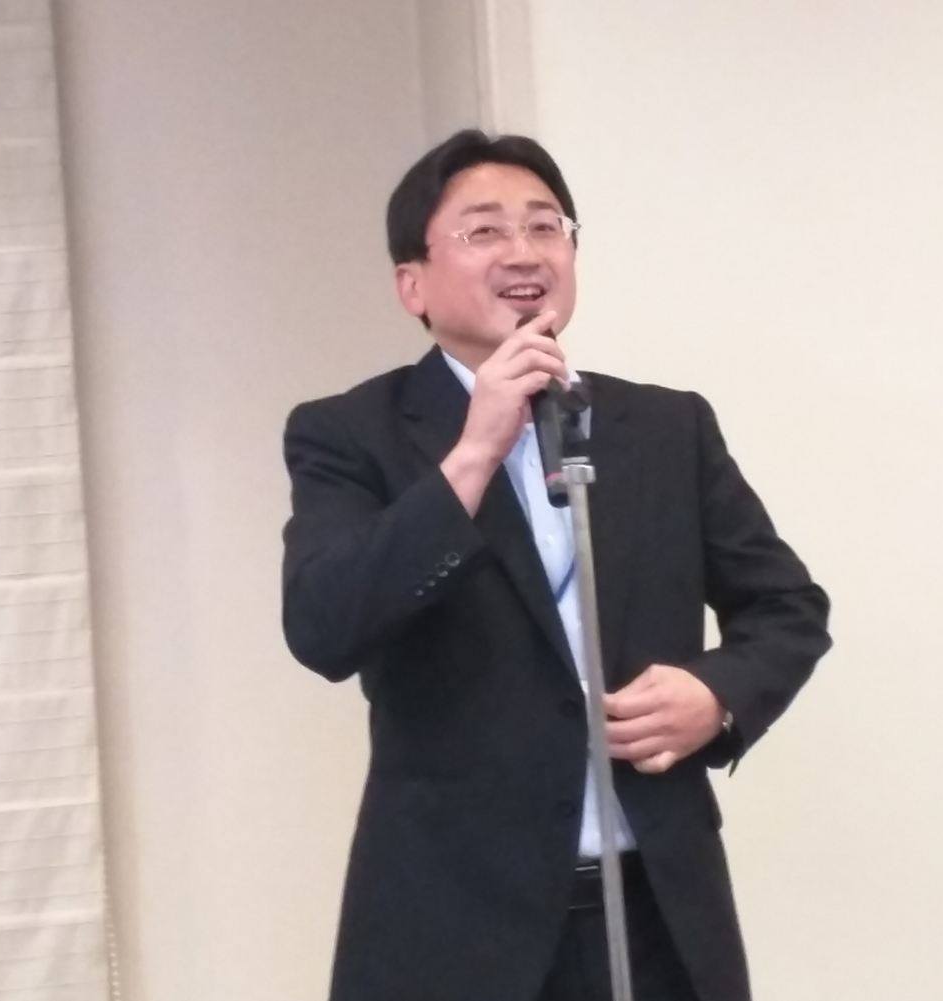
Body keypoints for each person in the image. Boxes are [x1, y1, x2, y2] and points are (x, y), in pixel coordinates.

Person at [281, 129, 831, 1001]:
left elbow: (787, 607)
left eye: (546, 227)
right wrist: (472, 454)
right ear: (412, 283)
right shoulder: (351, 435)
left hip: (653, 917)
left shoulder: (665, 427)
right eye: (485, 231)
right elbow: (324, 625)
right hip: (453, 932)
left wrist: (715, 693)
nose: (524, 252)